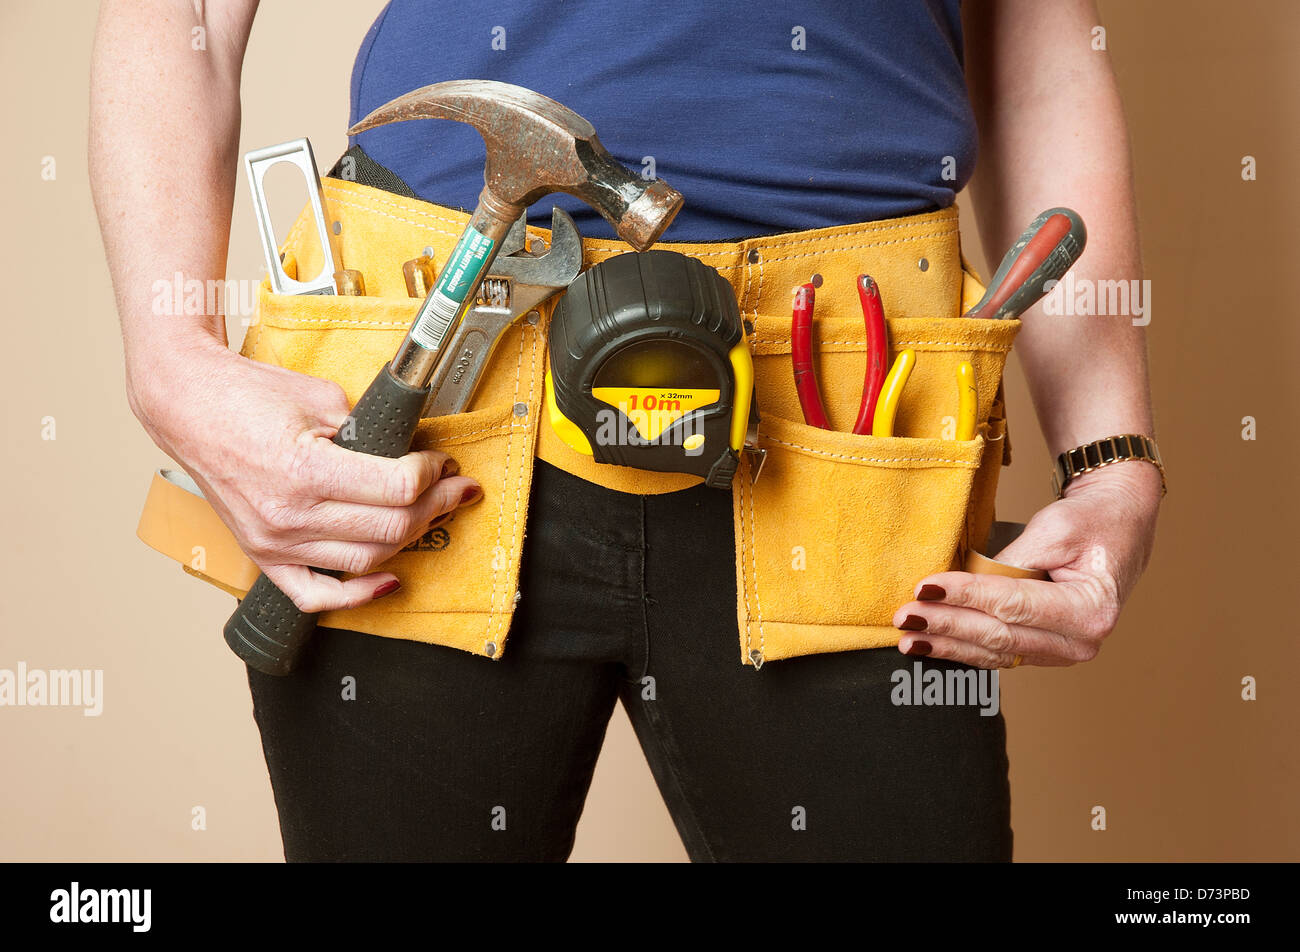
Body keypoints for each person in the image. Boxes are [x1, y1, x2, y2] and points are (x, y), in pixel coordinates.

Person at [90, 0, 1162, 861]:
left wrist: (1110, 459)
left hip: (849, 422)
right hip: (419, 410)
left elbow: (1041, 42)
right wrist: (169, 358)